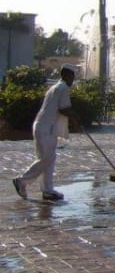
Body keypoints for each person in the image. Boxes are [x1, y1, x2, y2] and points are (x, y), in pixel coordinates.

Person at [12, 63, 81, 201]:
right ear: (67, 75)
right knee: (46, 158)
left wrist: (73, 117)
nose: (73, 79)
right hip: (46, 128)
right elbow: (64, 109)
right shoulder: (63, 88)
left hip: (43, 127)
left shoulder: (55, 87)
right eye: (73, 76)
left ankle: (47, 190)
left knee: (49, 158)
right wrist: (75, 117)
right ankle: (22, 181)